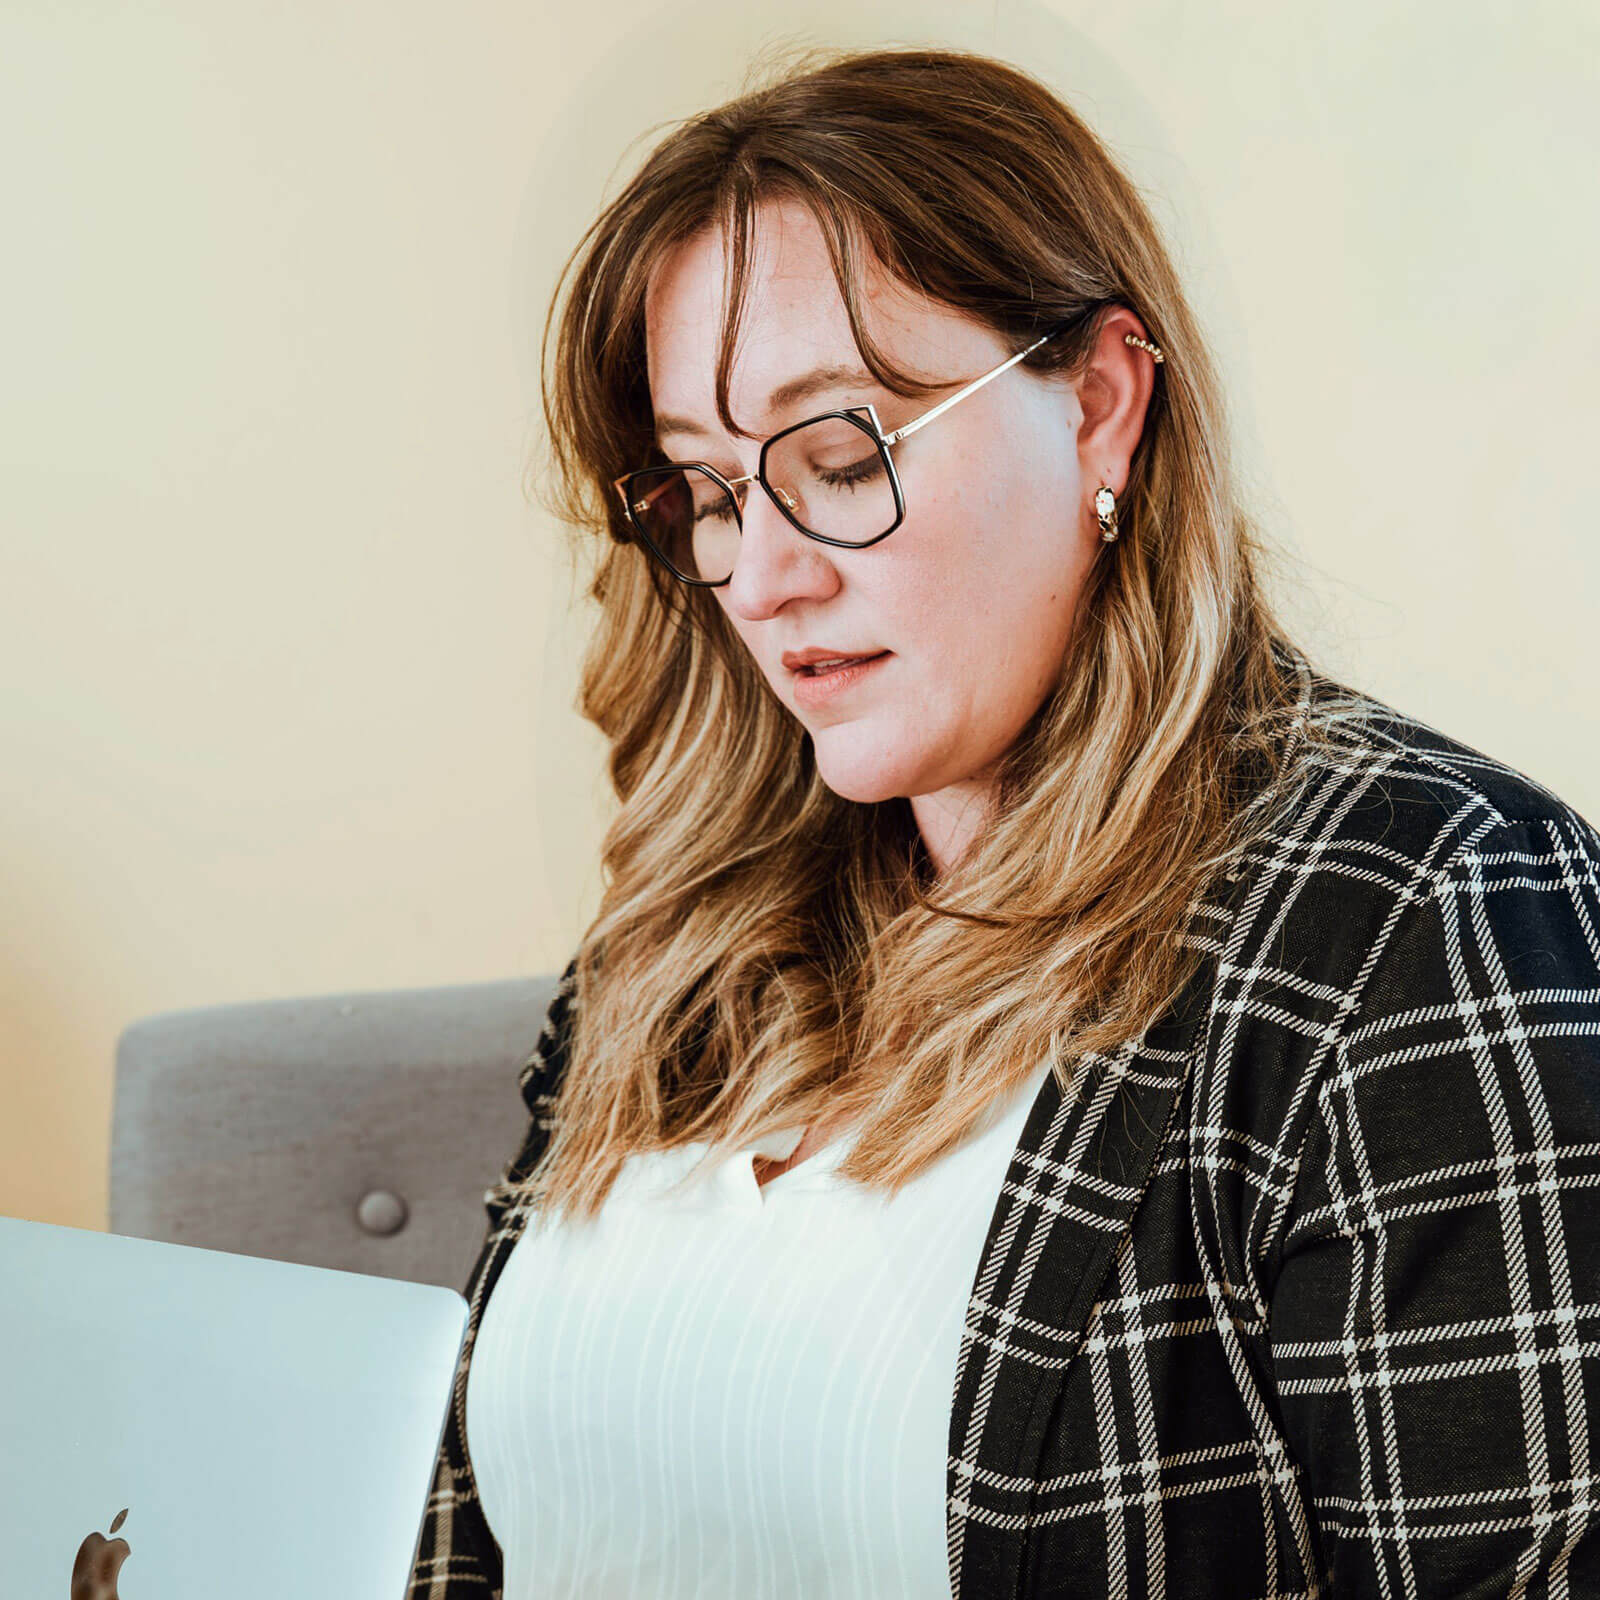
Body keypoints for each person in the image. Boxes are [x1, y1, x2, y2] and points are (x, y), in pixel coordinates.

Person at [406, 42, 1600, 1600]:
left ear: (1100, 403)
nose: (762, 577)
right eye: (704, 492)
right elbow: (455, 1545)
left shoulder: (1426, 915)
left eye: (840, 455)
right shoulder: (677, 943)